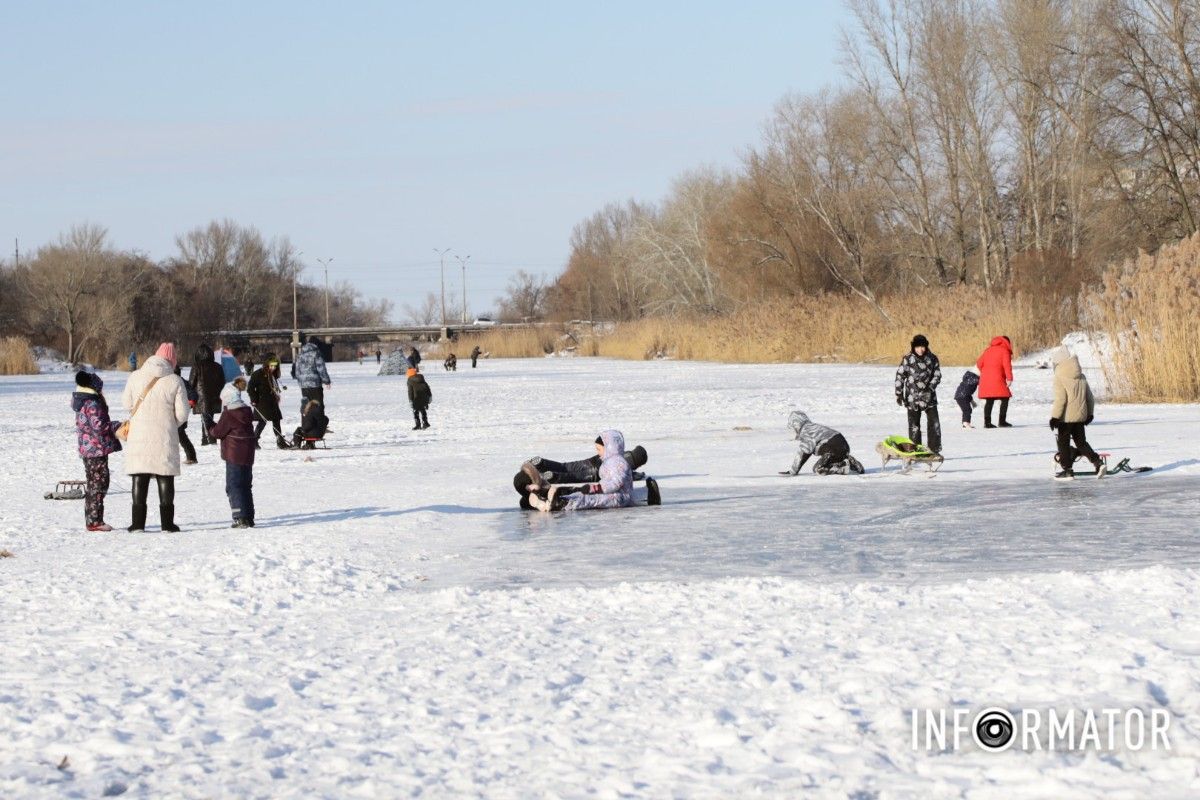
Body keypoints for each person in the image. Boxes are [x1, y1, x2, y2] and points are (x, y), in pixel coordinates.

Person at [122, 342, 190, 532]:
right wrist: (170, 424)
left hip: (138, 435)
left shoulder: (135, 377)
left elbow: (126, 403)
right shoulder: (175, 381)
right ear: (173, 361)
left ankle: (137, 524)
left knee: (139, 476)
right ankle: (167, 524)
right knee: (165, 476)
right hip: (165, 436)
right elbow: (183, 414)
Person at [528, 431, 636, 512]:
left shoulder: (618, 463)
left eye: (599, 449)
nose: (598, 453)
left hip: (621, 497)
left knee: (590, 499)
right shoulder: (610, 461)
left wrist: (596, 488)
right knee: (582, 494)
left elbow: (616, 483)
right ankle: (556, 499)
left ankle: (562, 503)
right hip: (611, 493)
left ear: (609, 448)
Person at [72, 370, 122, 532]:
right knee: (99, 484)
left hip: (89, 449)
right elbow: (99, 426)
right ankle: (94, 521)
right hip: (95, 449)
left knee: (96, 483)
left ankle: (93, 519)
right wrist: (117, 425)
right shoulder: (92, 403)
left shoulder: (83, 401)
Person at [1049, 347, 1104, 479]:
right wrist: (1090, 414)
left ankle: (1067, 470)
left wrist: (1055, 417)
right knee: (1081, 443)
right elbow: (1089, 397)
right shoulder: (1081, 376)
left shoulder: (1059, 377)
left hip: (1065, 418)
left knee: (1063, 444)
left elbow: (1061, 399)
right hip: (1080, 416)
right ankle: (1097, 462)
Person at [209, 383, 257, 527]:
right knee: (245, 485)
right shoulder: (247, 411)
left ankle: (239, 517)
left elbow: (218, 432)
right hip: (248, 453)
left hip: (234, 454)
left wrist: (209, 425)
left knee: (234, 486)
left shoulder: (229, 413)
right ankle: (249, 516)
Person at [894, 334, 942, 453]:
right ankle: (915, 450)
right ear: (913, 347)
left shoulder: (932, 358)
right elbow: (900, 375)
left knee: (934, 423)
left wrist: (930, 388)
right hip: (912, 398)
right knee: (914, 426)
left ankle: (934, 449)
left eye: (923, 347)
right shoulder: (908, 359)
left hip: (929, 397)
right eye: (918, 347)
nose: (920, 350)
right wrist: (899, 393)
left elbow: (937, 375)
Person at [779, 410, 863, 475]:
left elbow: (804, 453)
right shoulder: (813, 426)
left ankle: (843, 467)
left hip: (831, 449)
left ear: (795, 424)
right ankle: (851, 462)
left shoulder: (806, 431)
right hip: (843, 445)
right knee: (834, 458)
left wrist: (793, 471)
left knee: (818, 468)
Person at [248, 354, 290, 449]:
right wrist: (254, 399)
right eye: (272, 365)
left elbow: (274, 386)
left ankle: (280, 441)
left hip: (272, 401)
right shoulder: (257, 374)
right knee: (262, 421)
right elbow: (250, 388)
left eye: (275, 366)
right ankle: (254, 441)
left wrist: (276, 394)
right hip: (261, 401)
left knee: (276, 420)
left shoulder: (273, 374)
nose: (273, 367)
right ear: (267, 364)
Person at [188, 343, 226, 445]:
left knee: (205, 419)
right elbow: (222, 382)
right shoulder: (218, 366)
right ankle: (208, 438)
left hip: (201, 398)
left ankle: (208, 439)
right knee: (209, 417)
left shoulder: (196, 366)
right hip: (214, 397)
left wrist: (189, 396)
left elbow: (191, 383)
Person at [976, 335, 1014, 428]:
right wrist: (1009, 378)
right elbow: (1007, 366)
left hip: (985, 379)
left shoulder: (987, 350)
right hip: (997, 378)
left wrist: (986, 372)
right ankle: (1002, 421)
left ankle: (987, 423)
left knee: (989, 400)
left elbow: (979, 363)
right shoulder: (1004, 351)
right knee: (1005, 398)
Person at [292, 336, 331, 415]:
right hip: (315, 385)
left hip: (304, 386)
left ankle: (307, 424)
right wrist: (327, 381)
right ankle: (318, 425)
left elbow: (297, 370)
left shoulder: (300, 354)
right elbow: (321, 368)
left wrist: (301, 381)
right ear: (316, 344)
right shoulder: (316, 353)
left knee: (307, 406)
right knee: (318, 405)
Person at [174, 364, 198, 464]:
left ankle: (191, 456)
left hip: (180, 414)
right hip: (172, 413)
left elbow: (193, 394)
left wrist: (189, 404)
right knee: (179, 436)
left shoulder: (182, 382)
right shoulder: (169, 382)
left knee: (181, 435)